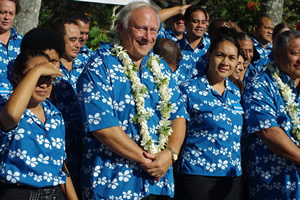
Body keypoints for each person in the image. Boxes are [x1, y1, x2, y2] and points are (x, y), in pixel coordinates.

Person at [76, 1, 188, 199]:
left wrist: (170, 154)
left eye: (153, 30)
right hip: (113, 183)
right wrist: (147, 160)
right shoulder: (99, 66)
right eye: (141, 29)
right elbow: (102, 126)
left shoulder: (160, 68)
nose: (148, 37)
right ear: (121, 26)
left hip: (158, 183)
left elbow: (178, 115)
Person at [0, 50, 77, 199]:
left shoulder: (54, 115)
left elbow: (60, 166)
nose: (43, 84)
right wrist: (39, 69)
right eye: (36, 77)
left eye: (48, 78)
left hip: (55, 194)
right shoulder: (6, 108)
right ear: (17, 78)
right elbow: (11, 115)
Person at [176, 35, 243, 200]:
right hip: (197, 174)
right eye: (220, 55)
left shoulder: (235, 92)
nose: (225, 62)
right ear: (208, 55)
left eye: (231, 58)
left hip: (231, 175)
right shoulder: (188, 90)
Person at [243, 30, 300, 199]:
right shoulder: (260, 84)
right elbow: (268, 131)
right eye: (295, 54)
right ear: (277, 53)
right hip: (275, 184)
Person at [51, 16, 85, 194]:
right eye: (72, 40)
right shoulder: (47, 68)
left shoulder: (87, 65)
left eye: (79, 40)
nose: (78, 44)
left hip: (86, 149)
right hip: (60, 149)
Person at [176, 5, 210, 85]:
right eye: (195, 21)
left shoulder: (212, 49)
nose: (200, 25)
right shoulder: (174, 47)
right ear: (186, 23)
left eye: (203, 22)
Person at [0, 0, 22, 102]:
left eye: (11, 13)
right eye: (2, 12)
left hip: (19, 108)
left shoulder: (24, 43)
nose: (6, 17)